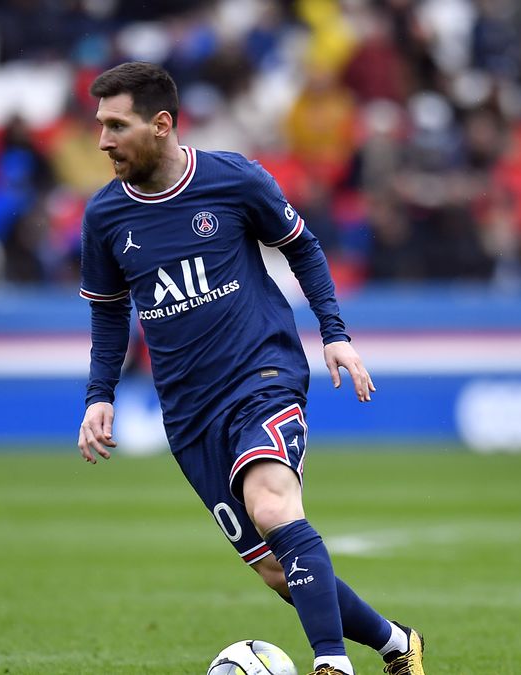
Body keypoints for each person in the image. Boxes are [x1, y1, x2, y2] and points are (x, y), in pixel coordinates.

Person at [76, 62, 426, 675]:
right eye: (99, 125)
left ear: (161, 125)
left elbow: (303, 247)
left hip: (261, 374)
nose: (102, 140)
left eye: (115, 125)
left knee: (272, 505)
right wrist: (99, 395)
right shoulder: (105, 218)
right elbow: (109, 317)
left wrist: (335, 335)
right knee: (277, 569)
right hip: (187, 412)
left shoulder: (232, 180)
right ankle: (397, 645)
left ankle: (331, 664)